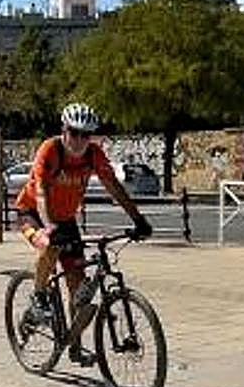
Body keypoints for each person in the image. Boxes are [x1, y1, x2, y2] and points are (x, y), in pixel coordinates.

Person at [15, 102, 152, 366]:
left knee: (79, 289)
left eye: (85, 135)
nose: (79, 140)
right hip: (32, 212)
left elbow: (114, 187)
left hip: (66, 220)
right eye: (74, 132)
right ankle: (39, 297)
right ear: (63, 130)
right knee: (49, 246)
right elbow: (41, 192)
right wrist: (47, 226)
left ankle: (74, 347)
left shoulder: (93, 154)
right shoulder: (50, 150)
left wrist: (138, 219)